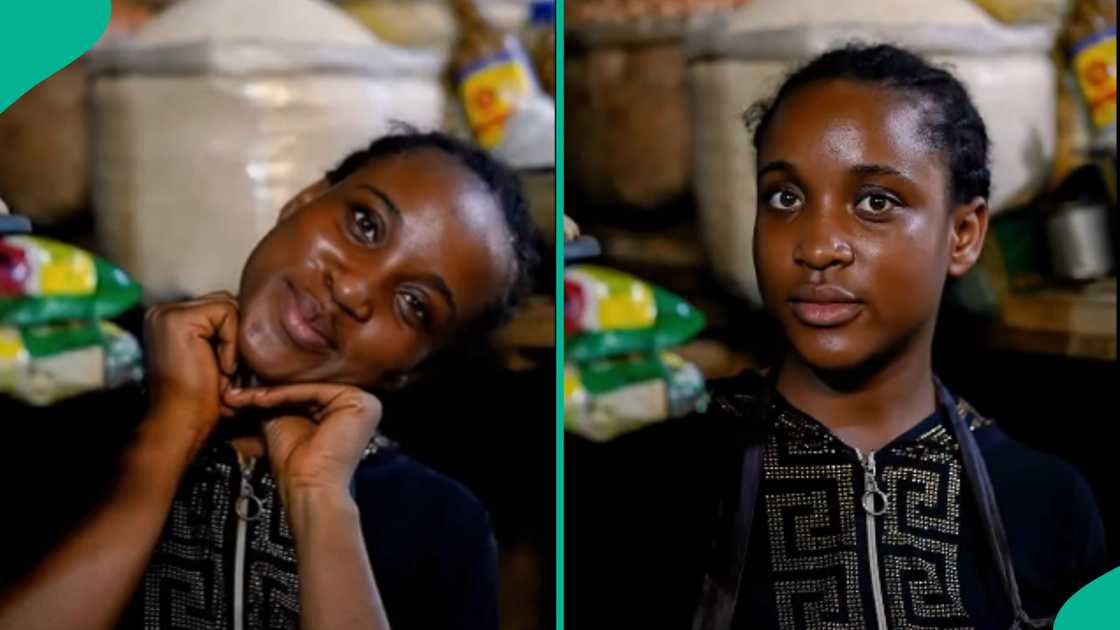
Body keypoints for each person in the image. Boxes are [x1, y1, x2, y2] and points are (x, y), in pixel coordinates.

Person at [574, 44, 1107, 630]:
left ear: (963, 235)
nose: (818, 245)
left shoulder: (1044, 500)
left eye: (876, 202)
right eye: (785, 197)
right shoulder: (655, 484)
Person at [0, 130, 538, 630]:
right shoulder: (58, 419)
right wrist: (166, 439)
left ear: (414, 368)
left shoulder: (440, 525)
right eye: (366, 225)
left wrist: (319, 499)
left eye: (414, 305)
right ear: (303, 201)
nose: (353, 291)